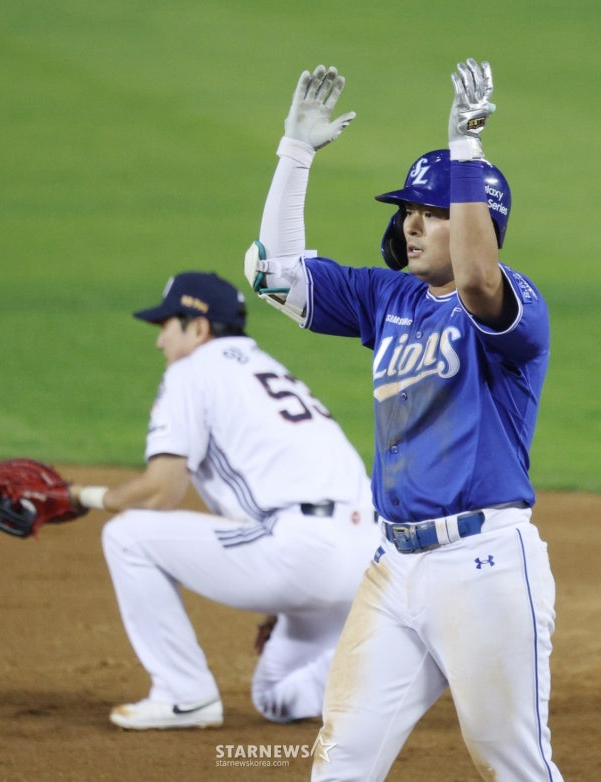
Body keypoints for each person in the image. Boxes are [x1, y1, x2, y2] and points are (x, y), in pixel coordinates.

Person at [244, 60, 563, 780]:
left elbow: (480, 282)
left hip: (482, 568)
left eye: (433, 211)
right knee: (341, 762)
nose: (411, 225)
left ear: (477, 222)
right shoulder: (390, 299)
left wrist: (467, 153)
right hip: (394, 569)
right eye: (408, 213)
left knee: (512, 764)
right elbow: (273, 275)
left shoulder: (515, 306)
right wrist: (293, 156)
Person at [70, 270, 379, 730]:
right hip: (367, 558)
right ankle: (386, 657)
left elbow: (162, 490)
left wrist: (83, 496)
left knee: (127, 535)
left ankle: (183, 695)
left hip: (302, 549)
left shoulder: (193, 370)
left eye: (165, 327)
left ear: (197, 326)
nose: (160, 343)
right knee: (276, 695)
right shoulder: (264, 367)